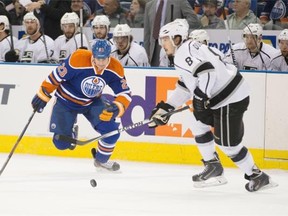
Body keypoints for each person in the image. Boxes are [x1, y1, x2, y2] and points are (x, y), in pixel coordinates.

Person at [148, 19, 277, 192]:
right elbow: (187, 86)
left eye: (165, 39)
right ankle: (213, 166)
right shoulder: (189, 47)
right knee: (198, 124)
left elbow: (207, 72)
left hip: (229, 98)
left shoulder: (182, 54)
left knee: (228, 145)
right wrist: (166, 106)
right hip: (224, 94)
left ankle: (258, 176)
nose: (162, 43)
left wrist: (202, 98)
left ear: (176, 38)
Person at [31, 39, 132, 171]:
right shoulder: (78, 59)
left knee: (112, 132)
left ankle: (101, 161)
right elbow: (56, 76)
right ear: (92, 55)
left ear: (109, 56)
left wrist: (117, 107)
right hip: (65, 102)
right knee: (61, 143)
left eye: (104, 59)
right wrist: (42, 95)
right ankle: (71, 130)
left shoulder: (115, 68)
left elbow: (125, 92)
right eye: (98, 59)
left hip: (91, 103)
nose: (101, 63)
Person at [144, 0, 201, 66]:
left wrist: (178, 25)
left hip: (173, 48)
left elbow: (194, 19)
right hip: (153, 51)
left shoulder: (180, 2)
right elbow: (147, 34)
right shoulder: (149, 5)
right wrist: (146, 54)